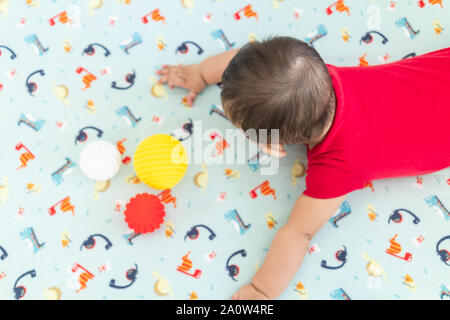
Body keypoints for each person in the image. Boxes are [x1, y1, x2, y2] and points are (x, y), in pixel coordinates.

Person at [156, 36, 450, 299]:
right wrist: (201, 73)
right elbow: (252, 62)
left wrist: (261, 290)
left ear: (276, 142)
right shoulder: (314, 75)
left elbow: (298, 233)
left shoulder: (337, 166)